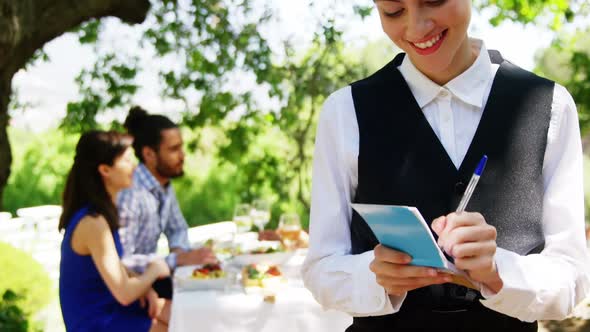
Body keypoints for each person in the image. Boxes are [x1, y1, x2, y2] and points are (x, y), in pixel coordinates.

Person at [302, 0, 590, 331]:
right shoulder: (344, 112)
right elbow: (320, 269)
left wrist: (499, 272)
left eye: (433, 1)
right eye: (394, 11)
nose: (416, 27)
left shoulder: (550, 105)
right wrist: (375, 275)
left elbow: (572, 278)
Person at [59, 131, 171, 332]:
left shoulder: (100, 214)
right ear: (105, 170)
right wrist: (154, 271)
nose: (135, 166)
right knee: (179, 323)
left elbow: (115, 266)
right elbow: (124, 293)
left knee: (177, 314)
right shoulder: (92, 222)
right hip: (98, 323)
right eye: (127, 160)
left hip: (112, 312)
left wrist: (145, 288)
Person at [117, 106, 216, 274]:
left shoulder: (164, 185)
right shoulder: (130, 193)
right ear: (149, 154)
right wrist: (178, 259)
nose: (182, 156)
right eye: (173, 149)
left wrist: (178, 250)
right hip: (125, 290)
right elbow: (122, 260)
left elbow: (177, 228)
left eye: (181, 148)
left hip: (146, 280)